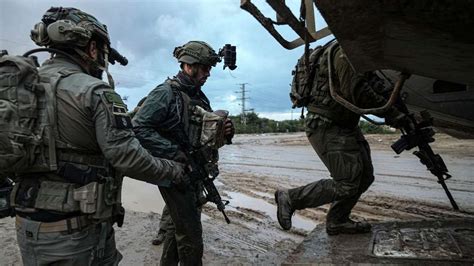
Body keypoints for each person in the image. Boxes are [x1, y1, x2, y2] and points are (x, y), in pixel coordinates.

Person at [0, 7, 185, 265]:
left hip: (28, 226)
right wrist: (174, 170)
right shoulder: (95, 91)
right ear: (92, 48)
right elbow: (127, 157)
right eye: (101, 50)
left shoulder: (21, 87)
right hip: (76, 233)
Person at [275, 40, 408, 235]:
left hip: (344, 125)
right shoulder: (343, 52)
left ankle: (338, 221)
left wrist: (397, 107)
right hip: (327, 125)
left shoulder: (352, 54)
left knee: (364, 177)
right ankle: (291, 198)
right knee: (346, 184)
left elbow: (371, 85)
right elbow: (356, 91)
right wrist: (393, 114)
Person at [132, 40, 234, 265]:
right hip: (175, 172)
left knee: (178, 228)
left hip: (193, 171)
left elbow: (205, 132)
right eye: (205, 68)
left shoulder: (198, 95)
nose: (208, 73)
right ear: (188, 66)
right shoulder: (165, 93)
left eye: (209, 68)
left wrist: (226, 132)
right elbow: (139, 127)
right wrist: (176, 153)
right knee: (191, 237)